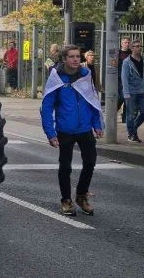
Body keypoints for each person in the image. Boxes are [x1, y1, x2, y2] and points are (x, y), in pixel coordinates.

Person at [41, 44, 103, 216]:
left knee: (90, 162)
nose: (76, 59)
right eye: (72, 57)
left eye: (78, 56)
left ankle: (81, 195)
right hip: (65, 129)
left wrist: (97, 124)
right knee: (65, 166)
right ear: (64, 59)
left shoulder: (85, 75)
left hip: (84, 128)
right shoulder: (56, 78)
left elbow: (93, 100)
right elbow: (46, 106)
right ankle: (66, 200)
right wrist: (50, 133)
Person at [121, 39, 144, 143]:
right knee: (131, 115)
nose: (139, 48)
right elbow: (124, 78)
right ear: (132, 48)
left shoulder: (143, 59)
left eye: (140, 46)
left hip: (142, 91)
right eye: (136, 46)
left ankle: (132, 131)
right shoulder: (127, 62)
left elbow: (143, 74)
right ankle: (132, 135)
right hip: (131, 92)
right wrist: (126, 93)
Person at [117, 36, 132, 123]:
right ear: (121, 43)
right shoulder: (117, 53)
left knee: (128, 98)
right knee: (122, 97)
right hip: (119, 79)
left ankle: (125, 118)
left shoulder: (131, 53)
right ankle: (112, 111)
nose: (127, 44)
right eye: (125, 42)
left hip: (129, 78)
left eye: (128, 42)